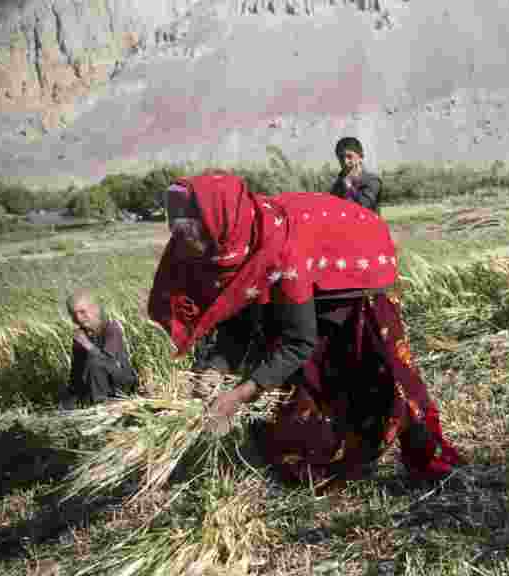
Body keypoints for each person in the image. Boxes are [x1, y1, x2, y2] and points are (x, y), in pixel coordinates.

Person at [148, 172, 459, 492]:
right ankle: (330, 458)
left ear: (217, 222)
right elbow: (237, 316)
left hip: (351, 271)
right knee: (305, 384)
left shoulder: (281, 249)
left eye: (195, 237)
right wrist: (217, 366)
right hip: (299, 280)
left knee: (387, 374)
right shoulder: (228, 246)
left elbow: (298, 340)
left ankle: (429, 460)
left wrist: (238, 396)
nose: (192, 249)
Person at [63, 290, 138, 409]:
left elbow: (107, 360)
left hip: (121, 382)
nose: (78, 317)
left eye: (82, 312)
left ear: (95, 309)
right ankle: (91, 402)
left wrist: (87, 345)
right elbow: (76, 371)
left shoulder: (111, 328)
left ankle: (101, 404)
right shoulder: (81, 336)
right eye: (74, 314)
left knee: (94, 362)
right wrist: (69, 398)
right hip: (96, 384)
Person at [330, 137, 382, 214]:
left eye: (349, 156)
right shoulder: (338, 183)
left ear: (360, 157)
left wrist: (349, 187)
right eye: (341, 157)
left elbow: (363, 206)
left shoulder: (372, 181)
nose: (345, 161)